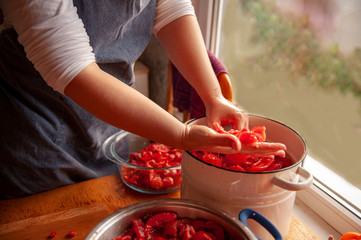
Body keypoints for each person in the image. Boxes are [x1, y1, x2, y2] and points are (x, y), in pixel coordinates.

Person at [0, 0, 286, 199]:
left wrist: (213, 96)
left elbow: (172, 8)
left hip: (107, 130)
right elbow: (71, 69)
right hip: (36, 142)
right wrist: (182, 134)